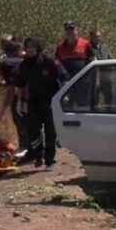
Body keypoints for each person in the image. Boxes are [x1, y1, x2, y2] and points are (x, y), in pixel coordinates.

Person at [12, 37, 69, 169]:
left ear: (38, 47)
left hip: (50, 100)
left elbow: (64, 76)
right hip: (34, 102)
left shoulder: (48, 60)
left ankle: (50, 161)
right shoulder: (24, 64)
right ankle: (38, 156)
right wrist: (19, 102)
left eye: (33, 46)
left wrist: (64, 95)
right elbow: (20, 85)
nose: (30, 49)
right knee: (33, 131)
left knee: (50, 131)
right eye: (28, 47)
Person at [0, 39, 34, 155]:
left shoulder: (5, 64)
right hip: (30, 94)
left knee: (21, 120)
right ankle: (29, 147)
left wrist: (2, 111)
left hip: (25, 95)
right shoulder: (24, 60)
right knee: (27, 121)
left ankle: (26, 147)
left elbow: (11, 91)